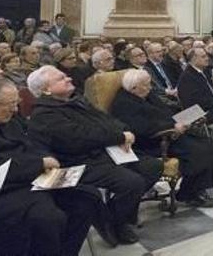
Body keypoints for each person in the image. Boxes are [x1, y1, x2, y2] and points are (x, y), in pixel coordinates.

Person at [0, 78, 96, 255]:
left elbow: (31, 141)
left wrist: (45, 157)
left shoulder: (8, 117)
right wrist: (39, 163)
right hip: (1, 192)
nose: (15, 109)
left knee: (88, 197)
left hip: (33, 179)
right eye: (10, 104)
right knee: (49, 218)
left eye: (16, 103)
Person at [26, 66, 163, 245]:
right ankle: (118, 223)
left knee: (152, 167)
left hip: (105, 152)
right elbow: (80, 137)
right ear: (46, 90)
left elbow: (106, 119)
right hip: (78, 161)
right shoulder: (44, 114)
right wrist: (119, 136)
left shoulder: (75, 100)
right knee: (132, 182)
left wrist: (124, 130)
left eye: (66, 75)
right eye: (61, 78)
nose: (68, 78)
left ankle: (110, 216)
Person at [110, 69, 213, 208]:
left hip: (170, 133)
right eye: (146, 85)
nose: (150, 88)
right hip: (153, 141)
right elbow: (142, 128)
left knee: (207, 144)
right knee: (198, 151)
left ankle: (193, 190)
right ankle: (191, 193)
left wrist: (187, 117)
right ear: (134, 87)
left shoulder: (145, 94)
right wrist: (173, 126)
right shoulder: (124, 103)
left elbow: (164, 111)